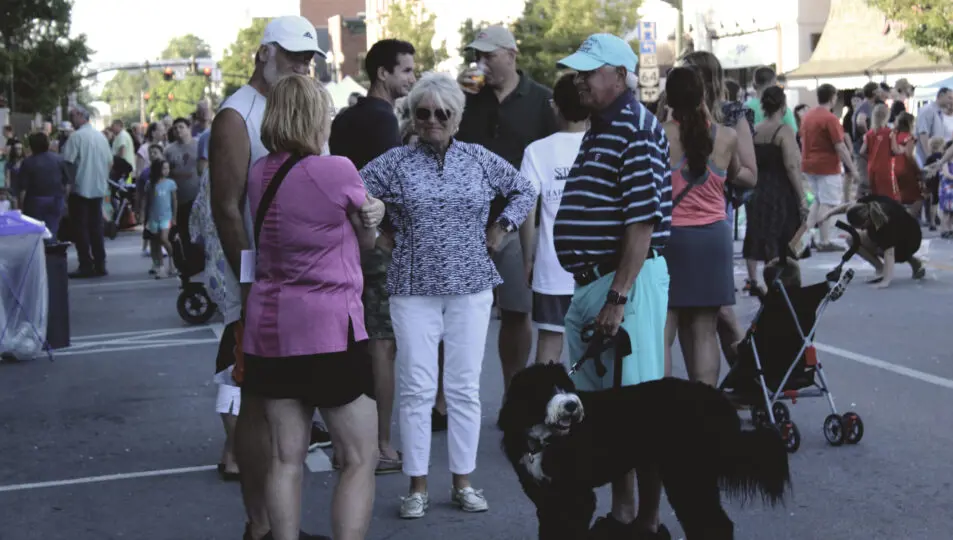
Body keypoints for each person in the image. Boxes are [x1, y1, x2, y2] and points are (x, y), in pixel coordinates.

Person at [360, 72, 536, 520]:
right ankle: (416, 486)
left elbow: (524, 189)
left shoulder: (478, 158)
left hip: (472, 288)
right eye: (424, 112)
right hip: (412, 290)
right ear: (413, 117)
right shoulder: (395, 163)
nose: (433, 120)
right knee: (417, 389)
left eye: (443, 113)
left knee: (464, 389)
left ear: (457, 119)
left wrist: (501, 228)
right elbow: (349, 194)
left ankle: (464, 481)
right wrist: (378, 236)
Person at [192, 15, 329, 540]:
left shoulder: (292, 105)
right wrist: (250, 289)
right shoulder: (235, 115)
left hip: (295, 279)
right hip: (255, 281)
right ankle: (260, 525)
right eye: (293, 55)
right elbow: (227, 211)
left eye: (308, 57)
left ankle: (279, 525)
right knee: (253, 402)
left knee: (283, 403)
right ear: (262, 54)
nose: (302, 64)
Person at [242, 74, 384, 540]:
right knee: (359, 457)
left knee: (286, 458)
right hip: (329, 331)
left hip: (270, 328)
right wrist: (373, 217)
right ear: (314, 116)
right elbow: (368, 241)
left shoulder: (258, 173)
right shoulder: (335, 169)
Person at [553, 34, 672, 540]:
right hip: (599, 283)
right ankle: (625, 512)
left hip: (623, 284)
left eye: (590, 71)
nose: (580, 78)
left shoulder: (635, 128)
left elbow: (641, 222)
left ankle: (645, 521)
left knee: (638, 411)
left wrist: (618, 298)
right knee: (608, 411)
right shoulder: (605, 126)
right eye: (578, 71)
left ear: (619, 76)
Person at [329, 38, 417, 474]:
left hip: (343, 242)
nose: (412, 78)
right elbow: (390, 191)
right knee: (383, 345)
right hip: (377, 241)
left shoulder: (347, 118)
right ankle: (381, 444)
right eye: (405, 70)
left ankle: (351, 438)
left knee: (357, 341)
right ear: (383, 73)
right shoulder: (384, 121)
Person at [456, 25, 559, 395]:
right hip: (466, 221)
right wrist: (458, 93)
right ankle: (445, 398)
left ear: (511, 55)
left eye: (489, 55)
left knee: (518, 310)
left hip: (519, 222)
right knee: (458, 313)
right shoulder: (468, 99)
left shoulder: (542, 101)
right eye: (477, 56)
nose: (481, 63)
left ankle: (514, 393)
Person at [518, 73, 588, 365]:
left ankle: (544, 408)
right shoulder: (605, 146)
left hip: (553, 265)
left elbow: (525, 210)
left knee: (549, 344)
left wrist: (528, 259)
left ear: (554, 106)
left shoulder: (537, 151)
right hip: (597, 269)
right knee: (593, 349)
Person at [742, 86, 807, 293]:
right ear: (783, 106)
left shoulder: (754, 130)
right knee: (782, 236)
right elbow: (791, 166)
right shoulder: (784, 131)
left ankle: (753, 280)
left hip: (757, 189)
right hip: (780, 191)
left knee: (755, 232)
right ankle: (782, 278)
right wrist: (802, 197)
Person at [800, 83, 859, 252]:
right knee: (828, 203)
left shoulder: (808, 116)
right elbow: (840, 146)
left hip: (809, 163)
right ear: (833, 98)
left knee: (818, 202)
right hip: (826, 165)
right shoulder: (830, 119)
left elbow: (802, 141)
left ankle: (804, 238)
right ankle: (824, 240)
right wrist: (853, 170)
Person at [821, 195, 925, 288]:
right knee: (852, 239)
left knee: (884, 249)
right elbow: (847, 206)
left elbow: (889, 252)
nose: (861, 229)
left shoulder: (886, 223)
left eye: (862, 227)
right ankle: (880, 268)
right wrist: (827, 214)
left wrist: (886, 281)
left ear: (867, 220)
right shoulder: (864, 206)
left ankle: (910, 259)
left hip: (910, 240)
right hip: (894, 233)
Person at [62, 105, 113, 278]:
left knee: (81, 228)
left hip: (80, 189)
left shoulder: (76, 137)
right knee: (96, 227)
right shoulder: (100, 137)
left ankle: (86, 263)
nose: (70, 119)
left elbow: (68, 163)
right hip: (97, 188)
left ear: (79, 116)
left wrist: (69, 184)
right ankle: (100, 262)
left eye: (72, 116)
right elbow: (109, 161)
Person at [16, 132, 70, 238]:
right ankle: (52, 248)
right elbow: (67, 183)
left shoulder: (28, 162)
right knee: (52, 229)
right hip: (56, 198)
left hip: (35, 201)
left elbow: (23, 188)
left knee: (36, 232)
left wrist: (21, 207)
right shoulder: (59, 159)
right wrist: (64, 199)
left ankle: (42, 250)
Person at [144, 159, 177, 278]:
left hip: (166, 216)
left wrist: (174, 216)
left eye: (168, 168)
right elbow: (147, 201)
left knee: (164, 238)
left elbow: (174, 200)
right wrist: (144, 215)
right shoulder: (150, 184)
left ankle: (172, 260)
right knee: (155, 242)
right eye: (164, 168)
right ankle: (161, 267)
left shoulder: (170, 183)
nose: (166, 171)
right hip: (153, 217)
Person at [861, 104, 898, 200]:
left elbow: (862, 151)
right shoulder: (890, 132)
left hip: (872, 167)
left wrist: (870, 157)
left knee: (875, 195)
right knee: (887, 197)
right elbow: (894, 150)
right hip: (885, 167)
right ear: (886, 116)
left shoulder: (869, 133)